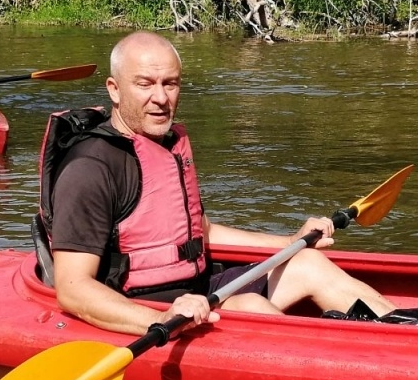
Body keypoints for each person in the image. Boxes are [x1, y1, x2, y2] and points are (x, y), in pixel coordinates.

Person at [36, 30, 398, 335]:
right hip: (143, 303)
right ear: (114, 89)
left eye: (170, 84)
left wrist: (288, 242)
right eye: (145, 84)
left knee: (308, 263)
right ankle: (364, 367)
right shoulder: (90, 167)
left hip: (198, 288)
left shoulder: (164, 143)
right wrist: (159, 319)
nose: (161, 98)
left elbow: (198, 231)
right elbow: (73, 288)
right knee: (251, 305)